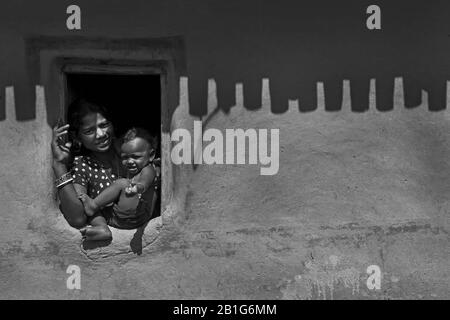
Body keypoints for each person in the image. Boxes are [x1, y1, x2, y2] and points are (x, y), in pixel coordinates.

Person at [51, 99, 159, 241]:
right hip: (117, 225)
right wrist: (59, 165)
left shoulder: (131, 149)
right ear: (77, 137)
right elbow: (77, 218)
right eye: (89, 131)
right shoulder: (83, 166)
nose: (101, 134)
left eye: (104, 125)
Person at [78, 127, 158, 230]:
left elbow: (144, 182)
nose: (129, 161)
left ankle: (93, 205)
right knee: (97, 212)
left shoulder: (149, 169)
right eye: (125, 157)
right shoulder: (133, 169)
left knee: (122, 183)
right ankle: (100, 228)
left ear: (151, 155)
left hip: (138, 216)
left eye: (136, 157)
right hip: (118, 218)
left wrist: (137, 188)